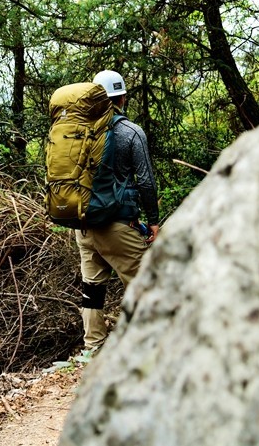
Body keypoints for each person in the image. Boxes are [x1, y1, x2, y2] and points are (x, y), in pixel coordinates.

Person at [77, 69, 160, 351]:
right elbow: (146, 181)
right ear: (122, 97)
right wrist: (154, 222)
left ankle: (93, 348)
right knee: (145, 283)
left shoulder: (79, 131)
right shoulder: (131, 132)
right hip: (117, 225)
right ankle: (150, 346)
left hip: (84, 224)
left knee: (92, 288)